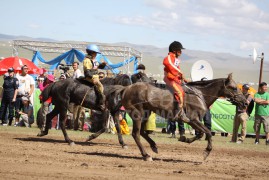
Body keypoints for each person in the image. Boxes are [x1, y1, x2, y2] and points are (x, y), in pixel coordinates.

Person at [163, 41, 189, 122]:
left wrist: (183, 78)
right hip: (169, 79)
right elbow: (170, 66)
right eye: (179, 50)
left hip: (175, 79)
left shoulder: (176, 59)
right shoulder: (169, 58)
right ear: (174, 50)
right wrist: (180, 73)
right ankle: (179, 113)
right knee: (179, 92)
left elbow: (177, 69)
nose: (181, 52)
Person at [83, 44, 107, 110]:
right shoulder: (87, 60)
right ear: (91, 52)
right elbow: (87, 73)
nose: (96, 54)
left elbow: (98, 67)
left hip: (95, 77)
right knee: (100, 86)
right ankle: (101, 103)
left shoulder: (94, 60)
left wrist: (103, 65)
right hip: (90, 78)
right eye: (95, 53)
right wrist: (94, 76)